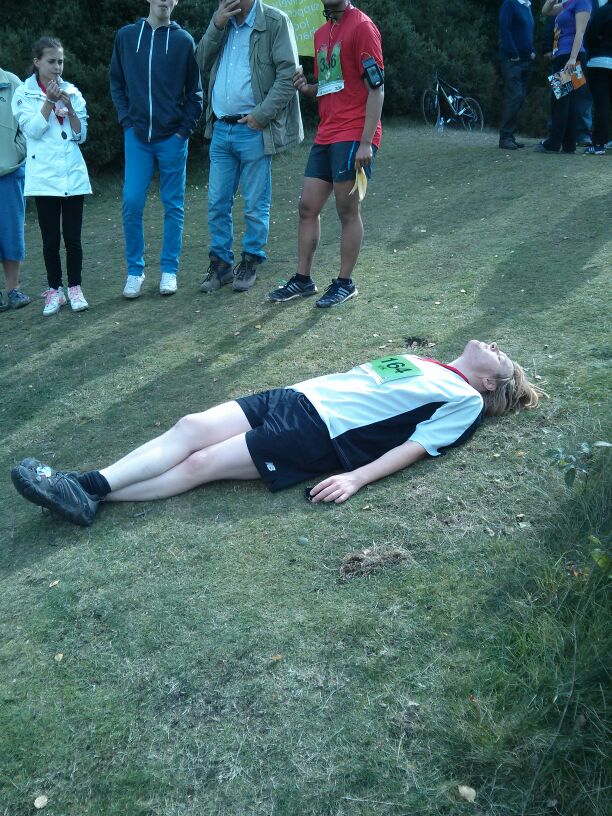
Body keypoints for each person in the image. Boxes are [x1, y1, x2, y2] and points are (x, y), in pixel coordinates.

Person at [11, 340, 542, 527]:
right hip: (296, 395)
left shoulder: (467, 400)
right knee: (191, 427)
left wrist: (355, 479)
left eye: (498, 351)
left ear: (490, 379)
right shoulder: (427, 361)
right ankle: (85, 493)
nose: (489, 343)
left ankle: (83, 487)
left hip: (318, 433)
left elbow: (418, 446)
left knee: (200, 465)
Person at [268, 0, 384, 308]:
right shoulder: (322, 34)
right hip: (327, 132)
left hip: (353, 134)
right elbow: (331, 86)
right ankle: (303, 280)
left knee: (347, 211)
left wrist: (365, 142)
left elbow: (377, 88)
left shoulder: (362, 27)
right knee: (308, 207)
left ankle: (345, 283)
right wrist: (308, 88)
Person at [196, 0, 303, 295]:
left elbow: (288, 76)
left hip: (252, 128)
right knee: (217, 201)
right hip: (220, 127)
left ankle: (251, 260)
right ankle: (221, 265)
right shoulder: (223, 21)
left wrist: (261, 114)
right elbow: (200, 62)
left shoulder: (274, 21)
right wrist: (216, 24)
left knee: (256, 202)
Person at [110, 0, 203, 299]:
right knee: (132, 200)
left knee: (173, 204)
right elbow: (116, 81)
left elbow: (196, 92)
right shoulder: (126, 36)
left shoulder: (183, 41)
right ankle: (135, 271)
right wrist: (126, 121)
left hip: (172, 138)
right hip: (137, 136)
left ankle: (169, 271)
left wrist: (182, 132)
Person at [12, 38, 91, 316]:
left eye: (60, 61)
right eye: (51, 61)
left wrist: (69, 111)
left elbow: (81, 136)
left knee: (73, 238)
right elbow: (32, 131)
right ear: (37, 62)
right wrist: (48, 101)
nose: (57, 67)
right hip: (43, 178)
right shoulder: (23, 93)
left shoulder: (72, 91)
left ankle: (75, 289)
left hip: (73, 175)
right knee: (50, 240)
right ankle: (55, 291)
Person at [536, 0, 592, 153]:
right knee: (569, 101)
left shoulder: (583, 2)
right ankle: (569, 145)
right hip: (562, 55)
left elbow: (580, 32)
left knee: (559, 100)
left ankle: (553, 144)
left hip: (571, 56)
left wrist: (573, 59)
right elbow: (546, 11)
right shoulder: (568, 3)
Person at [0, 66, 31, 312]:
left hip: (10, 173)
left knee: (11, 234)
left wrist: (18, 149)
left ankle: (14, 290)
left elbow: (27, 119)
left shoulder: (10, 81)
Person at [498, 0, 536, 150]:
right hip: (513, 59)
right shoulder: (510, 3)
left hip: (526, 59)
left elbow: (528, 31)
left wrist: (533, 50)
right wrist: (513, 52)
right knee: (515, 96)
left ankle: (510, 136)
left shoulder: (527, 6)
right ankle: (505, 137)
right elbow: (504, 29)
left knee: (519, 99)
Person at [583, 0, 612, 154]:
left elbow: (590, 36)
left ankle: (599, 143)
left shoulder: (602, 11)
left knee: (601, 104)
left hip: (599, 61)